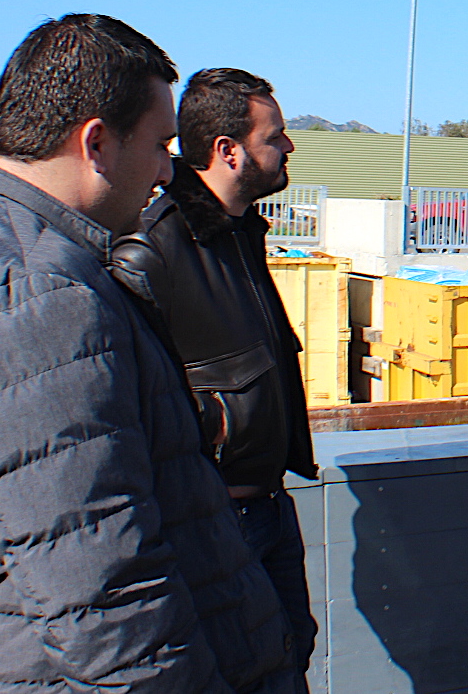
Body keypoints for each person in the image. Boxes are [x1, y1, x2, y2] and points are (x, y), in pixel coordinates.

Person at [0, 15, 289, 691]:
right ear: (96, 142)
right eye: (160, 145)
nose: (167, 171)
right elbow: (105, 591)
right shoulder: (33, 296)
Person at [113, 68, 320, 690]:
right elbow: (137, 409)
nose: (288, 148)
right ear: (229, 151)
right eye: (275, 136)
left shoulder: (241, 235)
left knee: (290, 657)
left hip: (268, 506)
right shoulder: (151, 249)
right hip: (214, 522)